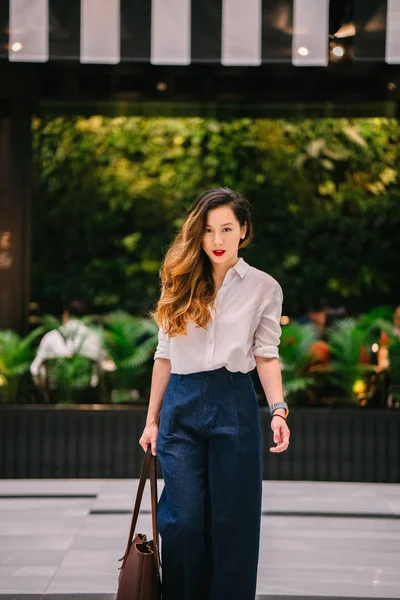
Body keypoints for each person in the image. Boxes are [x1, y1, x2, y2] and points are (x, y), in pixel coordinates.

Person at [139, 188, 290, 600]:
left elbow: (266, 353)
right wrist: (152, 419)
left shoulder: (264, 287)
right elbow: (164, 355)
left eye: (226, 229)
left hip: (234, 402)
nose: (217, 240)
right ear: (197, 234)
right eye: (208, 230)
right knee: (182, 521)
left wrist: (278, 408)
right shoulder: (180, 281)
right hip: (181, 404)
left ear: (244, 230)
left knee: (233, 521)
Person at [30, 298, 103, 382]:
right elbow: (100, 370)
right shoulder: (95, 337)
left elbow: (34, 369)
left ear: (65, 315)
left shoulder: (50, 337)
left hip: (54, 392)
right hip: (89, 393)